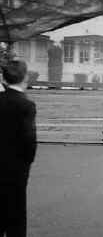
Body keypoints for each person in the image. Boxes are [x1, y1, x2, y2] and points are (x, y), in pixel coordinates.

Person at [0, 60, 37, 237]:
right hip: (16, 168)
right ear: (25, 78)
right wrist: (27, 162)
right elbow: (29, 139)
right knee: (16, 211)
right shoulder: (26, 105)